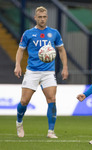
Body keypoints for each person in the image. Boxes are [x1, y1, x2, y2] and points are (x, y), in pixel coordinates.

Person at [14, 6, 68, 138]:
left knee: (52, 99)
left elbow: (61, 50)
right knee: (24, 101)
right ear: (35, 18)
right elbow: (20, 50)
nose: (42, 19)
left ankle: (51, 131)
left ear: (47, 17)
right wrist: (17, 65)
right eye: (40, 17)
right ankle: (19, 123)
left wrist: (65, 67)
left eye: (44, 17)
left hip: (48, 72)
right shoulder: (28, 33)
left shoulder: (54, 33)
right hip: (32, 71)